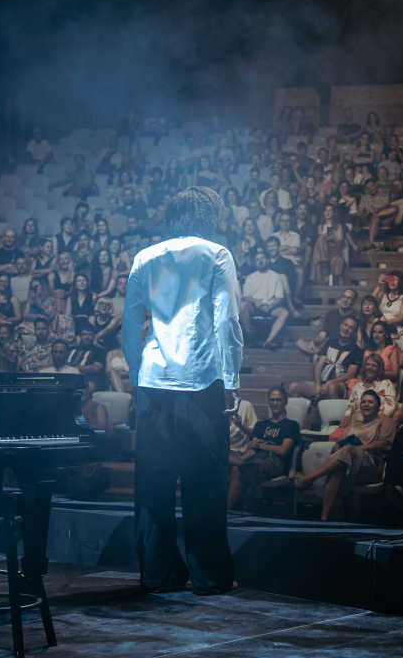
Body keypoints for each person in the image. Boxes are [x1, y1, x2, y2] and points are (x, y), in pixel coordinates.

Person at [122, 186, 242, 596]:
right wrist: (232, 380)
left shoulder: (145, 256)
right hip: (201, 384)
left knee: (152, 486)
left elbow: (129, 326)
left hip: (153, 384)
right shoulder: (217, 254)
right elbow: (227, 323)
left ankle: (159, 576)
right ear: (208, 216)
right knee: (203, 484)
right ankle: (209, 578)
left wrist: (138, 375)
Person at [292, 389, 395, 521]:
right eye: (363, 402)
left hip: (372, 466)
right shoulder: (354, 424)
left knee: (348, 450)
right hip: (348, 462)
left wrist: (357, 449)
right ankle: (324, 520)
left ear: (378, 406)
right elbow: (338, 445)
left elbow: (383, 444)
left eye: (370, 402)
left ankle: (310, 478)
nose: (366, 404)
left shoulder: (385, 421)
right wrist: (340, 451)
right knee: (337, 470)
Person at [228, 387, 300, 511]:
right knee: (228, 464)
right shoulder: (261, 425)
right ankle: (227, 510)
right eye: (272, 400)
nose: (275, 403)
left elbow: (282, 450)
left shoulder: (291, 425)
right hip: (256, 459)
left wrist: (259, 445)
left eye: (278, 400)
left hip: (275, 462)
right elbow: (252, 449)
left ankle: (227, 511)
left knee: (238, 470)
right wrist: (241, 457)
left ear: (285, 402)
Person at [288, 316, 363, 401]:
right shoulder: (330, 343)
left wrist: (330, 382)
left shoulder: (356, 350)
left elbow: (351, 374)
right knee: (293, 387)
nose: (346, 329)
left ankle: (334, 413)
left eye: (351, 328)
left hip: (340, 386)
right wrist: (317, 385)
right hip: (322, 383)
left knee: (332, 387)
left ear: (354, 333)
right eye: (345, 325)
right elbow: (319, 364)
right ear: (340, 326)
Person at [239, 248, 290, 349]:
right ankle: (250, 338)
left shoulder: (276, 276)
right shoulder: (251, 277)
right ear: (255, 263)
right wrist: (255, 301)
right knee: (242, 305)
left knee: (284, 313)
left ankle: (268, 341)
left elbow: (279, 297)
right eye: (257, 259)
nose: (260, 261)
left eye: (262, 258)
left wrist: (269, 306)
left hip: (271, 307)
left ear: (267, 260)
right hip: (255, 307)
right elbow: (246, 296)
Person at [296, 289, 358, 358]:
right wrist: (313, 342)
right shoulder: (331, 314)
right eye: (344, 297)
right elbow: (322, 336)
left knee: (316, 356)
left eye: (349, 298)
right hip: (330, 348)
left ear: (354, 301)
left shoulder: (357, 317)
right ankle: (319, 352)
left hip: (345, 350)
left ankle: (321, 354)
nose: (345, 300)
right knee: (299, 343)